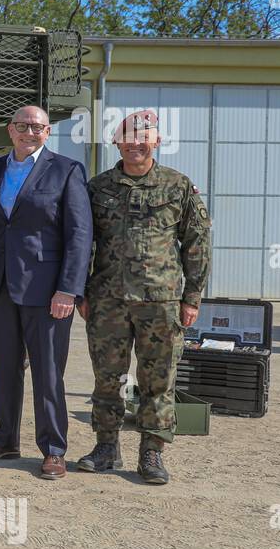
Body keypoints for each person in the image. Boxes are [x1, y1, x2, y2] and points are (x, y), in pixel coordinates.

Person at [77, 109, 211, 484]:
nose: (136, 141)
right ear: (116, 142)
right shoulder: (97, 187)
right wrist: (80, 291)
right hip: (107, 301)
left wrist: (192, 297)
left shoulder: (178, 186)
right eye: (128, 135)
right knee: (108, 378)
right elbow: (81, 243)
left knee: (158, 381)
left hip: (161, 301)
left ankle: (151, 453)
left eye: (144, 135)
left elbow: (197, 243)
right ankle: (105, 447)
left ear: (157, 141)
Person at [0, 105, 92, 479]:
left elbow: (79, 235)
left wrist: (68, 290)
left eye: (36, 127)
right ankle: (5, 439)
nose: (29, 132)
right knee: (3, 369)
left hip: (47, 291)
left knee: (48, 372)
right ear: (10, 130)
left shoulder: (66, 170)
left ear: (48, 132)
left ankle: (53, 449)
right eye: (22, 126)